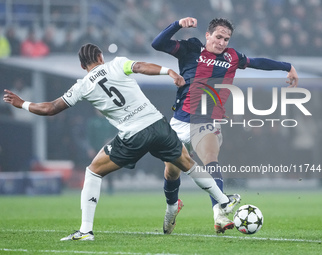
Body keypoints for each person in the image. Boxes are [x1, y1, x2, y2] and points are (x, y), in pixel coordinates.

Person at [3, 43, 240, 240]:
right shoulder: (116, 64)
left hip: (132, 135)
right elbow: (140, 67)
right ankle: (223, 201)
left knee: (93, 171)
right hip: (157, 124)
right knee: (188, 163)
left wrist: (21, 103)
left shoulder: (82, 86)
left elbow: (50, 108)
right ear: (100, 57)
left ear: (81, 65)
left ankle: (86, 230)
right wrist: (167, 71)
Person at [152, 17, 298, 233]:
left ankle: (219, 215)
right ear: (208, 35)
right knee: (171, 173)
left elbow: (258, 62)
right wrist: (177, 24)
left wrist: (287, 66)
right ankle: (172, 207)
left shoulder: (232, 57)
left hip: (207, 121)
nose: (221, 42)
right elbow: (158, 44)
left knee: (211, 159)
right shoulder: (191, 48)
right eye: (218, 37)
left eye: (226, 39)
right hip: (179, 121)